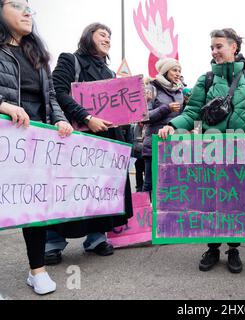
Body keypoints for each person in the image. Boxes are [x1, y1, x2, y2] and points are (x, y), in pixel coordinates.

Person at [159, 28, 245, 274]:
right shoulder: (206, 80)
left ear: (234, 47)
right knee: (211, 199)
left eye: (219, 46)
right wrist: (172, 125)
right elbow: (191, 114)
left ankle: (233, 249)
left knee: (237, 200)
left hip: (242, 152)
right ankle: (212, 248)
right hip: (211, 152)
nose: (214, 51)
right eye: (212, 47)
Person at [0, 0, 73, 294]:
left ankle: (37, 270)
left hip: (32, 144)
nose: (27, 12)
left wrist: (60, 120)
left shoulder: (38, 55)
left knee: (33, 207)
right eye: (17, 5)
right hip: (6, 138)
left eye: (30, 7)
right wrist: (3, 106)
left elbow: (51, 96)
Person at [46, 22, 133, 265]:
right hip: (77, 138)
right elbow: (58, 91)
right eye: (102, 34)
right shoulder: (69, 60)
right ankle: (52, 243)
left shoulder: (110, 73)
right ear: (88, 36)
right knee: (67, 191)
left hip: (107, 141)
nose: (107, 39)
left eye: (109, 36)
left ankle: (96, 238)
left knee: (103, 189)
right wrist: (87, 117)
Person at [142, 58, 184, 196]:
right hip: (154, 145)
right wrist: (166, 108)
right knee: (150, 184)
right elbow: (144, 116)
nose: (178, 73)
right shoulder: (151, 88)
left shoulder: (179, 92)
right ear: (165, 71)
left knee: (170, 184)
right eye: (174, 70)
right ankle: (146, 215)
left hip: (174, 146)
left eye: (179, 70)